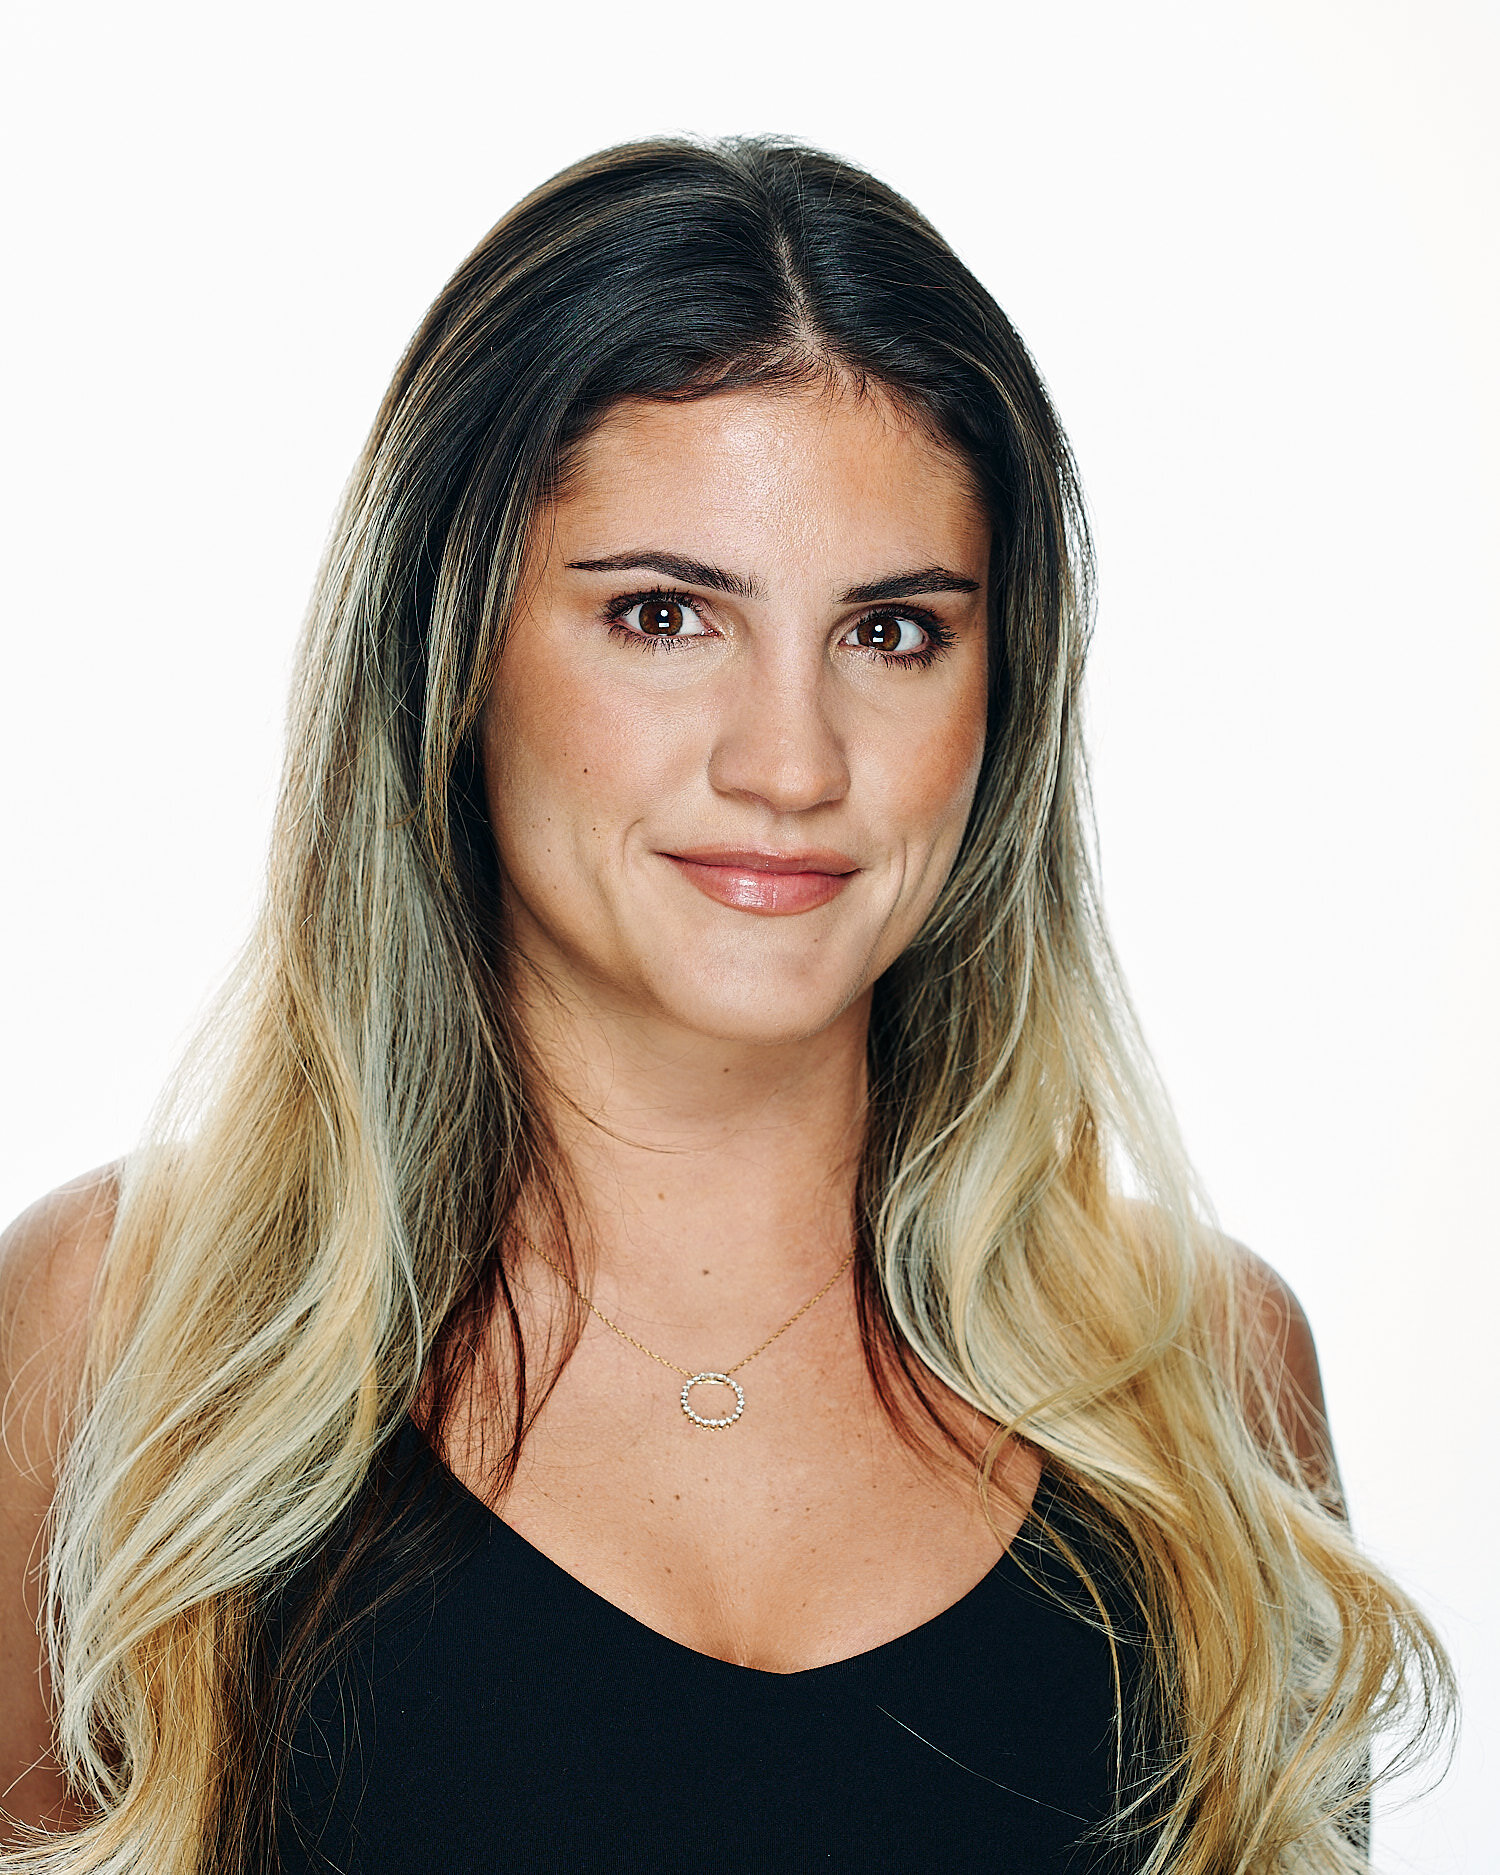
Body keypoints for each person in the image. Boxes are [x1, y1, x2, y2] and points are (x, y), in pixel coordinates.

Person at [0, 136, 1453, 1874]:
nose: (791, 764)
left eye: (895, 632)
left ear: (1006, 696)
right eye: (666, 614)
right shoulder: (136, 1341)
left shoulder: (1202, 1378)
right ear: (452, 650)